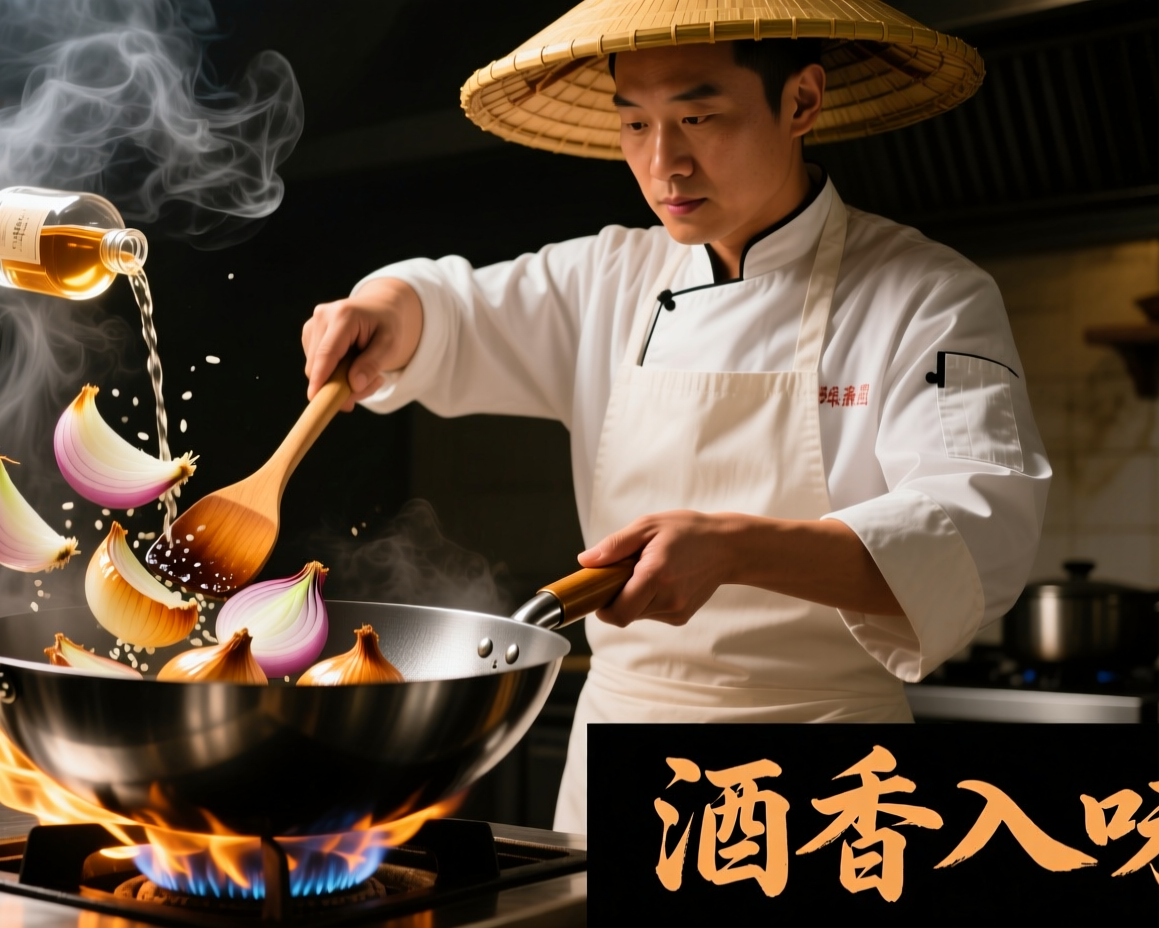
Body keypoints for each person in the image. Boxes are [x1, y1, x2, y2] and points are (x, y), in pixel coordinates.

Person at [299, 0, 1048, 834]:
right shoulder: (611, 279)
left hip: (826, 775)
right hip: (621, 759)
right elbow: (453, 311)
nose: (665, 165)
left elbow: (976, 528)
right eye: (635, 124)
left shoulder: (928, 298)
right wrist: (386, 306)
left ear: (801, 102)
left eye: (699, 117)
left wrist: (734, 548)